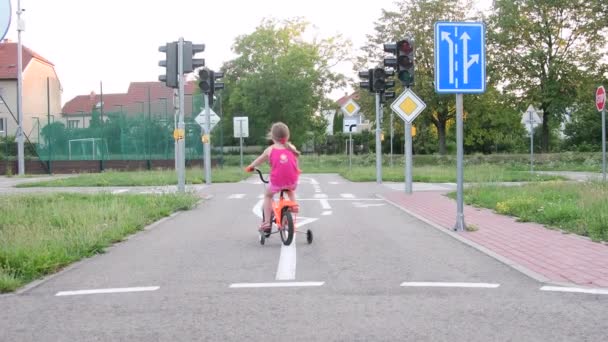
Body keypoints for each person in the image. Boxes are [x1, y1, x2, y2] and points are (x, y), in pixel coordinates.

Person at [245, 122, 301, 233]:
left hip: (276, 182)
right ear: (287, 136)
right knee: (290, 191)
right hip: (292, 181)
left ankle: (266, 222)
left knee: (268, 196)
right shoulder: (292, 147)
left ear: (272, 136)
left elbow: (259, 160)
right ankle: (294, 206)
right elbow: (295, 164)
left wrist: (250, 167)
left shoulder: (270, 149)